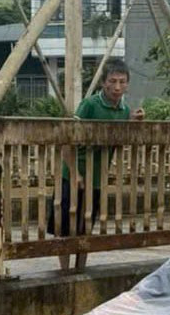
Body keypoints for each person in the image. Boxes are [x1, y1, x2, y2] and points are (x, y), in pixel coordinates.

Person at [50, 58, 145, 272]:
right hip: (73, 174)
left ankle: (80, 269)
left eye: (122, 82)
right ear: (104, 82)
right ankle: (65, 270)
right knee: (65, 226)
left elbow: (119, 140)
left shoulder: (124, 110)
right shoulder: (90, 105)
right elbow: (67, 141)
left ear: (127, 84)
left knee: (86, 226)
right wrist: (74, 173)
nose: (117, 87)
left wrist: (132, 123)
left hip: (97, 178)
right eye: (113, 81)